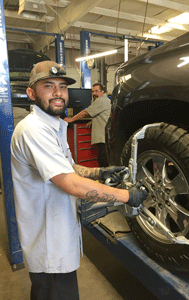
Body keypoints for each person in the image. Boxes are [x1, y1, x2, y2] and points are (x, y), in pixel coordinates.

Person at [10, 61, 148, 300]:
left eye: (62, 86)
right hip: (49, 245)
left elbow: (68, 168)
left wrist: (99, 173)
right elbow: (70, 183)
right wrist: (127, 196)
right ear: (31, 93)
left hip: (58, 235)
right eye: (48, 85)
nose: (58, 93)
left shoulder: (54, 126)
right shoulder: (33, 130)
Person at [64, 83, 111, 167]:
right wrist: (93, 121)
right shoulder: (107, 100)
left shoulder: (100, 100)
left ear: (102, 92)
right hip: (107, 135)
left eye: (97, 91)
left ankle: (106, 177)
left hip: (103, 136)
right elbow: (105, 114)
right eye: (93, 91)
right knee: (105, 158)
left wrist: (70, 119)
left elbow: (85, 112)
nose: (94, 94)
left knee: (103, 159)